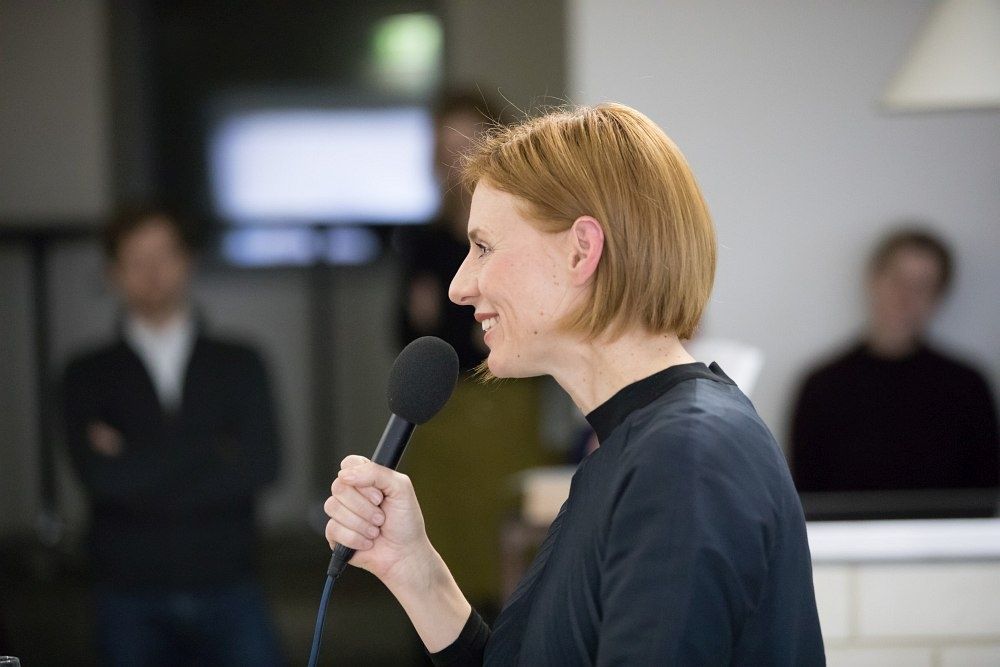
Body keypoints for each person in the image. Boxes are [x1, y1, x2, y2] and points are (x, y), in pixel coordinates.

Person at [324, 103, 824, 664]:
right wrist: (415, 570)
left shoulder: (684, 457)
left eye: (484, 247)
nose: (459, 286)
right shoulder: (637, 445)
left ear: (581, 251)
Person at [62, 206, 284, 665]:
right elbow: (99, 478)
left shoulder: (240, 363)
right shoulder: (86, 375)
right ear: (113, 272)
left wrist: (136, 456)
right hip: (127, 588)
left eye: (164, 255)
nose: (152, 272)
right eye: (136, 259)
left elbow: (263, 464)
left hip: (229, 579)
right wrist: (211, 450)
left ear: (189, 260)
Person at [394, 91, 555, 613]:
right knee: (441, 545)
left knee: (508, 547)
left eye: (470, 143)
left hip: (506, 402)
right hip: (446, 407)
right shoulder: (425, 239)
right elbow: (413, 334)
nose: (459, 160)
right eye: (448, 149)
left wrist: (456, 326)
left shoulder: (526, 229)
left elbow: (515, 325)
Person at [790, 229, 999, 492]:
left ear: (939, 296)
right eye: (897, 280)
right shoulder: (822, 386)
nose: (905, 297)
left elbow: (985, 490)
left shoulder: (968, 387)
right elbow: (805, 493)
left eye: (922, 286)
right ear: (873, 280)